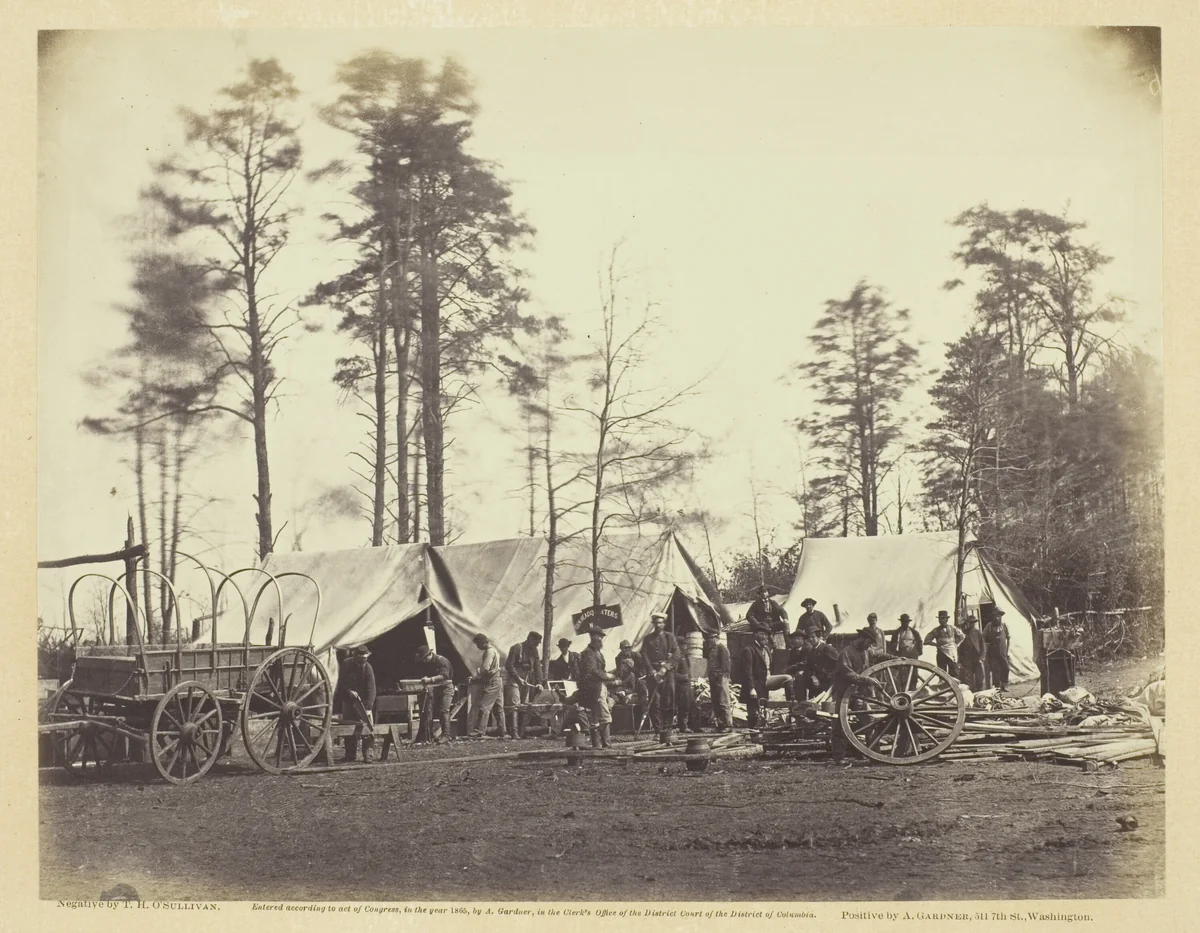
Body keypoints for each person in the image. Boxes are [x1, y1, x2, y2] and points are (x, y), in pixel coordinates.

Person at [830, 628, 896, 759]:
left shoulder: (866, 651)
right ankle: (839, 757)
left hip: (858, 694)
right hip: (843, 694)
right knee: (839, 725)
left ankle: (874, 756)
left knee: (870, 722)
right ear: (862, 638)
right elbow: (848, 674)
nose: (869, 645)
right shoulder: (846, 653)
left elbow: (880, 656)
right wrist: (867, 680)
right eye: (869, 642)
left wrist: (897, 659)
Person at [739, 630, 794, 728]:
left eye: (766, 635)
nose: (764, 637)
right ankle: (754, 732)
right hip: (754, 683)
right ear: (756, 635)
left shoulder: (767, 649)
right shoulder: (749, 650)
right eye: (761, 634)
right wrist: (751, 688)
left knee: (788, 678)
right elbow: (748, 671)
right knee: (754, 712)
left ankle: (792, 707)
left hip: (766, 679)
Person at [576, 627, 618, 748]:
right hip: (594, 688)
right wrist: (608, 676)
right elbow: (593, 671)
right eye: (598, 636)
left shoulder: (597, 652)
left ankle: (598, 746)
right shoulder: (589, 653)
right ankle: (605, 745)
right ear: (592, 637)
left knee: (596, 718)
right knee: (604, 717)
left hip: (599, 687)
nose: (600, 639)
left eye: (601, 637)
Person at [334, 645, 377, 763]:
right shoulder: (346, 664)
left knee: (367, 727)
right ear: (355, 657)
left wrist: (368, 707)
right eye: (360, 659)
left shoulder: (368, 668)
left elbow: (371, 689)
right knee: (349, 727)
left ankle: (368, 753)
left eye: (365, 659)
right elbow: (341, 682)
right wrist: (349, 691)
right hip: (349, 700)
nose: (363, 661)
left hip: (363, 702)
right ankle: (350, 754)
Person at [640, 612, 680, 733]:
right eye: (656, 623)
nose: (658, 625)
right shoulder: (648, 639)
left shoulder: (670, 637)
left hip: (667, 673)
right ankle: (658, 729)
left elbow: (676, 654)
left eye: (661, 623)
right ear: (653, 624)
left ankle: (667, 728)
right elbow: (644, 656)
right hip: (653, 673)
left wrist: (665, 667)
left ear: (664, 624)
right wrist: (652, 671)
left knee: (668, 700)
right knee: (655, 702)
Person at [504, 631, 543, 738]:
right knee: (515, 706)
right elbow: (508, 665)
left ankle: (521, 732)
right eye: (535, 642)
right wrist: (518, 679)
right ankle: (514, 732)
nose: (537, 645)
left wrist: (539, 682)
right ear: (529, 639)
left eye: (538, 643)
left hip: (526, 680)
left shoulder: (534, 650)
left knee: (525, 706)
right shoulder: (517, 648)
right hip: (514, 679)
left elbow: (537, 666)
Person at [467, 633, 506, 738]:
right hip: (497, 680)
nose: (477, 647)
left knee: (484, 706)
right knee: (498, 707)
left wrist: (477, 676)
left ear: (482, 642)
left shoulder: (489, 652)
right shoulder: (494, 650)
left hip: (492, 681)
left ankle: (480, 731)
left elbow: (485, 668)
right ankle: (502, 730)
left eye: (477, 644)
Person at [415, 643, 455, 743]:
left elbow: (444, 676)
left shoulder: (441, 660)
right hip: (436, 688)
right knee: (430, 711)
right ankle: (430, 735)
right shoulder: (427, 663)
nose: (424, 661)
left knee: (444, 710)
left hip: (446, 688)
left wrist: (430, 679)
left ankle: (446, 735)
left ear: (430, 654)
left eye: (425, 658)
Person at [747, 585, 790, 671]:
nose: (764, 594)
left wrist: (785, 618)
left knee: (785, 624)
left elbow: (782, 611)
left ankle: (789, 644)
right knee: (765, 627)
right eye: (762, 592)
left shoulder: (773, 602)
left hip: (772, 624)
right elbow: (749, 615)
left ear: (768, 593)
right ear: (760, 594)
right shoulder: (756, 604)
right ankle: (773, 644)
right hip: (762, 625)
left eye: (765, 592)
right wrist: (757, 623)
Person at [704, 631, 732, 732]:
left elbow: (726, 666)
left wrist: (722, 678)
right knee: (716, 701)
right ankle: (720, 724)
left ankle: (727, 725)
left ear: (715, 638)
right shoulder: (712, 650)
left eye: (710, 639)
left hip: (721, 677)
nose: (709, 641)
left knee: (723, 701)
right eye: (708, 639)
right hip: (713, 678)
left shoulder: (722, 648)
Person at [923, 611, 965, 678]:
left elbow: (962, 636)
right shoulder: (936, 630)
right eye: (940, 619)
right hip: (941, 652)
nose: (941, 620)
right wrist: (936, 644)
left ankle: (953, 684)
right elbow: (926, 641)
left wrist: (956, 644)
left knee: (954, 671)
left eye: (943, 618)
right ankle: (943, 684)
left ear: (947, 619)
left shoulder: (952, 628)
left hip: (952, 653)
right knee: (942, 672)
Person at [983, 608, 1012, 690]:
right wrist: (986, 646)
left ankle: (1005, 684)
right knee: (995, 669)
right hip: (993, 651)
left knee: (1005, 668)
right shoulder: (989, 626)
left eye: (998, 616)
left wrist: (1008, 650)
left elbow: (1009, 638)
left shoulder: (1004, 625)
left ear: (1001, 617)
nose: (997, 618)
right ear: (992, 617)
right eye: (995, 616)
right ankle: (997, 686)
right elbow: (983, 636)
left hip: (1003, 651)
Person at [958, 615, 986, 692]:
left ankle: (980, 691)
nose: (972, 624)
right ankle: (972, 691)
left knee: (979, 677)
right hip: (967, 658)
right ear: (968, 623)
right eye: (971, 622)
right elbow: (960, 646)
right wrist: (961, 659)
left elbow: (983, 646)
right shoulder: (964, 633)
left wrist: (981, 658)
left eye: (974, 622)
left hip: (977, 657)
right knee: (968, 677)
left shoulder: (978, 632)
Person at [674, 645, 695, 732]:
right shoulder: (676, 658)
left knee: (689, 705)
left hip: (687, 685)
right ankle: (683, 726)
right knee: (683, 706)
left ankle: (692, 726)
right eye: (684, 646)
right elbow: (673, 673)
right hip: (681, 686)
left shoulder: (685, 657)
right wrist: (683, 677)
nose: (686, 648)